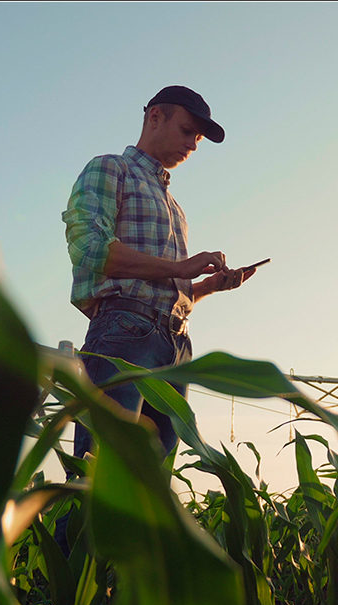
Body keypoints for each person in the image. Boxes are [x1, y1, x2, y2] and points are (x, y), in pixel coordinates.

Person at [61, 85, 257, 465]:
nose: (194, 146)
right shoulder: (110, 168)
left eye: (198, 138)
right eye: (188, 132)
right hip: (124, 334)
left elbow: (160, 289)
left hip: (175, 345)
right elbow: (88, 249)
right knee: (98, 479)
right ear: (155, 117)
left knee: (150, 492)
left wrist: (206, 288)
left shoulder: (174, 207)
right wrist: (179, 268)